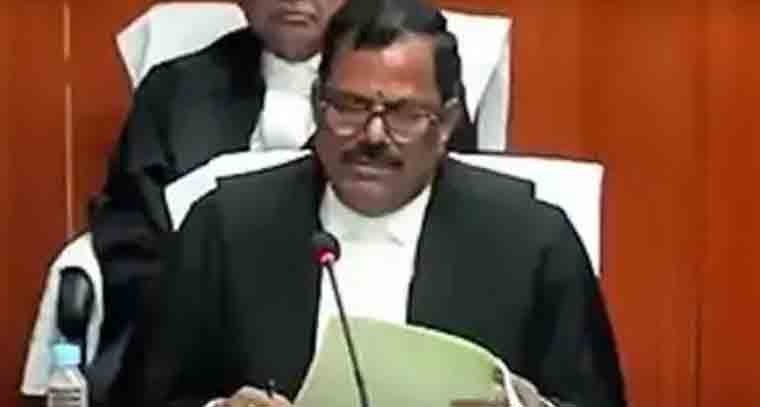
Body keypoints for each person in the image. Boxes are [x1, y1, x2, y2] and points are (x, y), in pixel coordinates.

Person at [113, 0, 626, 406]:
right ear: (318, 106)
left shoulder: (532, 241)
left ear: (446, 125)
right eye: (351, 107)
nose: (373, 136)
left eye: (404, 114)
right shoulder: (227, 226)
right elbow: (144, 395)